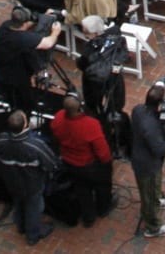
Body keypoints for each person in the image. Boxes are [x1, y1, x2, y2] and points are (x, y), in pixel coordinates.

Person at [50, 93, 114, 227]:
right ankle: (103, 209)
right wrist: (107, 162)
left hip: (70, 163)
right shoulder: (90, 124)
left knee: (82, 190)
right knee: (102, 186)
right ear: (80, 107)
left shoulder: (58, 118)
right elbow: (102, 151)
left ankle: (88, 217)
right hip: (90, 165)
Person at [0, 110, 57, 242]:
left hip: (12, 182)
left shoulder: (2, 139)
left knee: (18, 203)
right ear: (25, 126)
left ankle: (21, 226)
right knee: (34, 208)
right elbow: (51, 163)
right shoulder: (35, 145)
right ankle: (33, 235)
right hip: (32, 185)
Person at [130, 84, 165, 238]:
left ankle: (157, 199)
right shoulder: (150, 126)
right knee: (149, 197)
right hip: (148, 166)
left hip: (140, 158)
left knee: (153, 190)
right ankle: (153, 227)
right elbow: (159, 150)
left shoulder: (138, 110)